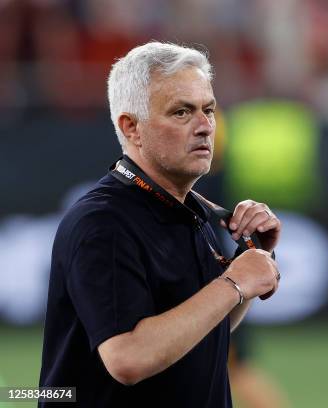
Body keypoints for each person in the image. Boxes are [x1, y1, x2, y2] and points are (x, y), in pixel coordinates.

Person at [38, 42, 282, 407]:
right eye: (182, 112)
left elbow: (200, 329)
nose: (205, 127)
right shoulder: (103, 223)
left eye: (209, 110)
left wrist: (252, 254)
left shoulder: (190, 209)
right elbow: (128, 358)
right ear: (131, 127)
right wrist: (234, 282)